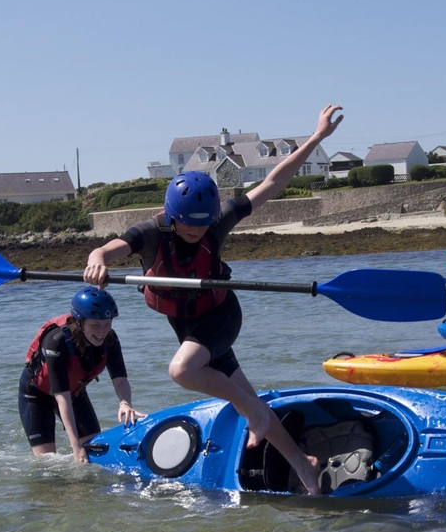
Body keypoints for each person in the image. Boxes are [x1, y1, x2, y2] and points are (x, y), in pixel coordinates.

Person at [83, 104, 344, 495]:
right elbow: (108, 250)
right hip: (187, 324)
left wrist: (317, 137)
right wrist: (96, 259)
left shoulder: (214, 220)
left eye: (205, 224)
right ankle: (305, 467)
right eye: (190, 225)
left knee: (183, 371)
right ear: (173, 216)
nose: (198, 231)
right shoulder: (151, 233)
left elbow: (272, 182)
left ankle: (254, 413)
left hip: (220, 316)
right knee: (243, 395)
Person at [19, 286, 143, 463]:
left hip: (75, 393)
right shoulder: (57, 342)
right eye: (95, 325)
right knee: (46, 464)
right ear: (80, 321)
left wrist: (125, 403)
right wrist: (75, 446)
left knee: (95, 454)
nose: (102, 331)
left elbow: (120, 379)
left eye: (107, 323)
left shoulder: (110, 338)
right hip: (37, 396)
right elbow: (61, 397)